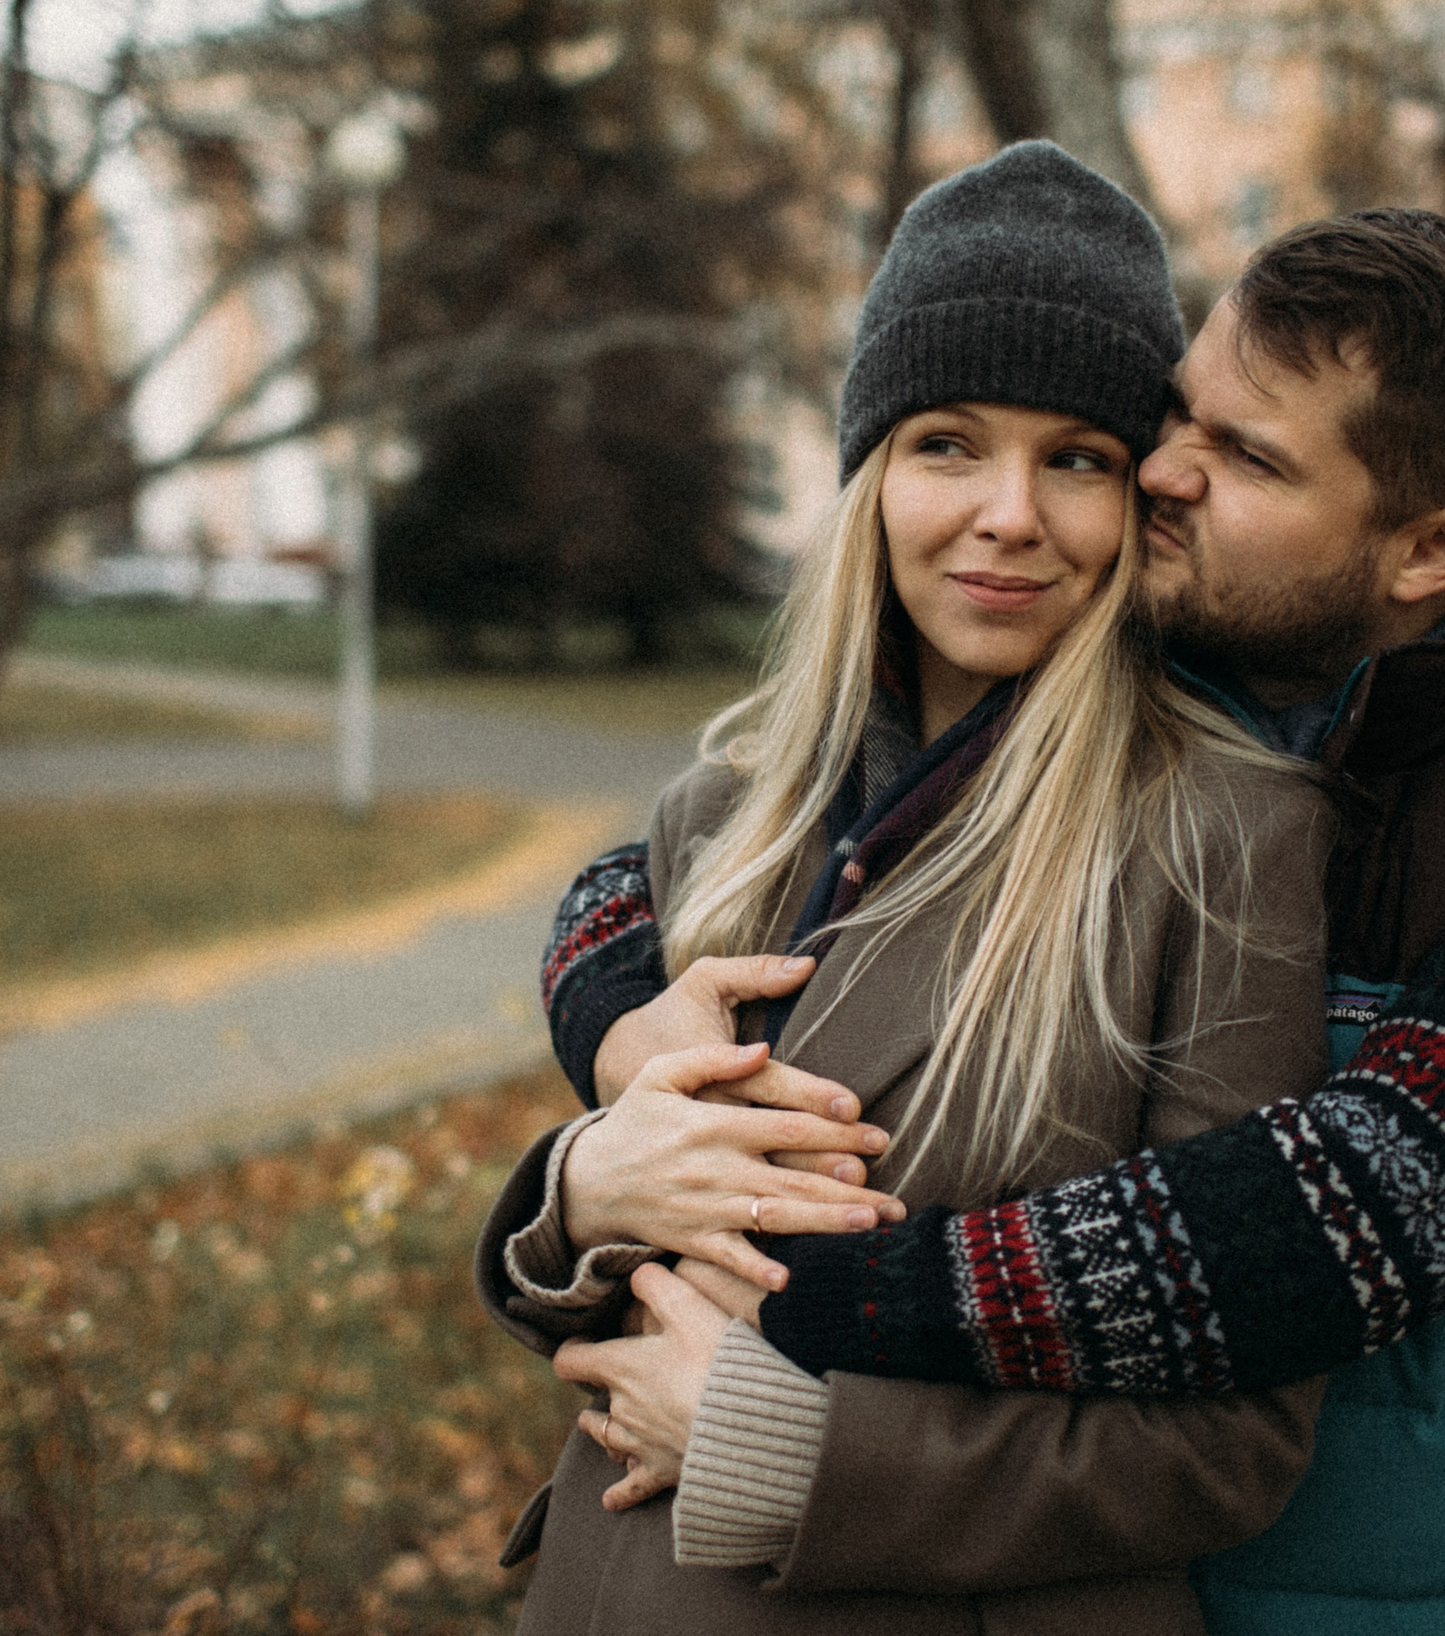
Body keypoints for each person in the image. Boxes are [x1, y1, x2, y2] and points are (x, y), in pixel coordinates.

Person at [535, 207, 1445, 1633]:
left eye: (1246, 457)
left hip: (1431, 1598)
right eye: (1181, 414)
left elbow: (1315, 1226)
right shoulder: (1138, 671)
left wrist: (775, 1271)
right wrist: (615, 1033)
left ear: (1430, 549)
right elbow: (673, 862)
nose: (1161, 472)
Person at [477, 141, 1345, 1633]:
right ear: (872, 474)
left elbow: (1232, 1441)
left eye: (1075, 457)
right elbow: (620, 1272)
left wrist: (783, 1452)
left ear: (1137, 494)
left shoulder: (1221, 837)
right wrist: (577, 1187)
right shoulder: (728, 813)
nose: (1010, 512)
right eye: (949, 441)